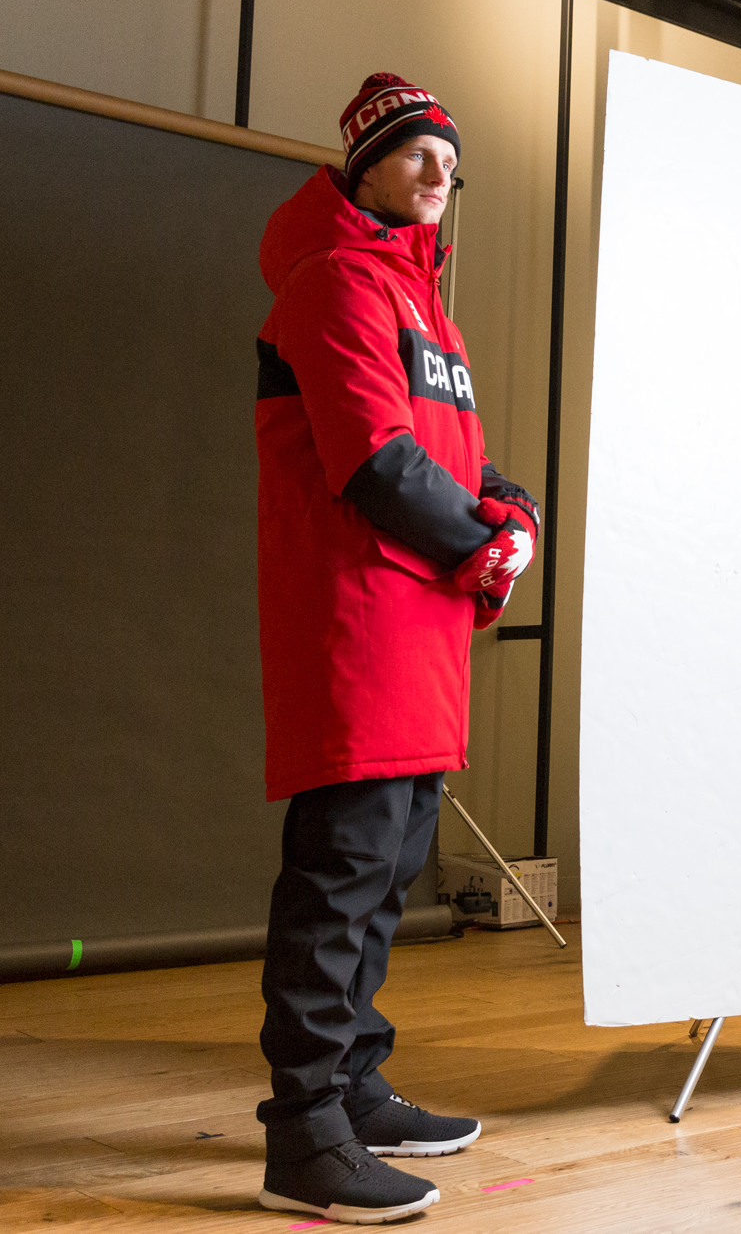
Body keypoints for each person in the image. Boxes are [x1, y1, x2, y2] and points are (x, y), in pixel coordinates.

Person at [252, 73, 541, 1224]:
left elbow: (452, 462)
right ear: (362, 161)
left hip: (422, 635)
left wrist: (504, 509)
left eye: (447, 157)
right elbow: (374, 461)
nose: (438, 172)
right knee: (338, 880)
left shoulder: (430, 310)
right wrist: (482, 541)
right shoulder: (333, 282)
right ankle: (304, 1134)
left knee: (385, 878)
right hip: (359, 624)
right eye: (415, 150)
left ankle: (354, 1087)